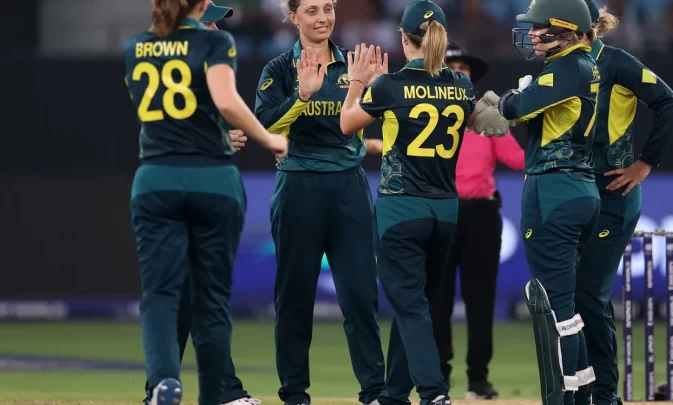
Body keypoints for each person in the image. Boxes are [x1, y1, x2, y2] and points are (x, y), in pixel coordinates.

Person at [124, 0, 287, 403]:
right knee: (211, 300)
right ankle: (216, 396)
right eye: (209, 18)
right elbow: (227, 101)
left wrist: (212, 135)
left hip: (156, 178)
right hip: (212, 181)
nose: (214, 28)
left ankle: (163, 382)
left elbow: (166, 117)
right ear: (198, 7)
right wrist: (269, 139)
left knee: (160, 294)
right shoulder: (215, 46)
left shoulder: (134, 47)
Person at [339, 2, 478, 404]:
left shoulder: (389, 86)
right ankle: (395, 394)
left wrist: (357, 83)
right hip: (446, 211)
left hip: (401, 208)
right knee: (413, 304)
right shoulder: (461, 85)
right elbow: (474, 120)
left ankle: (433, 392)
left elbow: (346, 124)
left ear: (403, 38)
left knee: (411, 306)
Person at [252, 0, 385, 404]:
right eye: (311, 10)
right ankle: (294, 394)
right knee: (294, 298)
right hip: (298, 187)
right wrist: (302, 96)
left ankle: (375, 392)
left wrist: (374, 89)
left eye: (327, 7)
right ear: (292, 17)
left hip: (349, 187)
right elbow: (263, 128)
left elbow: (382, 113)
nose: (323, 17)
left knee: (361, 296)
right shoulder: (277, 70)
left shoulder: (355, 66)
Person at [471, 0, 601, 404]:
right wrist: (516, 97)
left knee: (552, 306)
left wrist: (511, 97)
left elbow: (515, 107)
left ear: (562, 29)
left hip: (554, 191)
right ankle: (581, 396)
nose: (530, 34)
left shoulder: (567, 67)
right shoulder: (584, 65)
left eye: (537, 27)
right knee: (570, 309)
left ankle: (561, 398)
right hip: (578, 188)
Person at [576, 2, 673, 404]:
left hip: (614, 193)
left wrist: (645, 164)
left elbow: (670, 103)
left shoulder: (617, 63)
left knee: (589, 293)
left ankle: (604, 395)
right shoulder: (559, 66)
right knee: (571, 295)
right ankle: (581, 388)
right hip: (574, 191)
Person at [429, 39, 525, 400]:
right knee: (437, 301)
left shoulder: (487, 115)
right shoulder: (425, 112)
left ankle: (478, 380)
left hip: (481, 215)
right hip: (439, 212)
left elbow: (518, 159)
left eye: (464, 69)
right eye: (451, 67)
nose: (458, 73)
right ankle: (438, 380)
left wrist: (528, 115)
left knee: (481, 300)